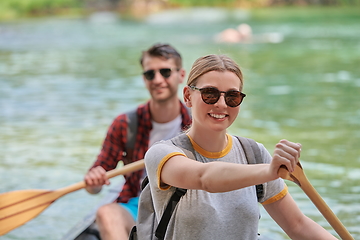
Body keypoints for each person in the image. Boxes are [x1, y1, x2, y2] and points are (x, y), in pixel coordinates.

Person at [144, 54, 338, 239]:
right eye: (210, 94)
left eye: (232, 97)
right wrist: (269, 171)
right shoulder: (162, 154)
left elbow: (297, 226)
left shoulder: (254, 154)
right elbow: (205, 178)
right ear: (187, 96)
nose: (221, 104)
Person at [84, 43, 192, 240]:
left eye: (165, 72)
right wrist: (94, 180)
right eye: (150, 74)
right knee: (106, 213)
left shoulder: (198, 124)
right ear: (144, 79)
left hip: (187, 207)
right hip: (139, 205)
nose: (158, 80)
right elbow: (94, 186)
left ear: (181, 75)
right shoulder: (125, 124)